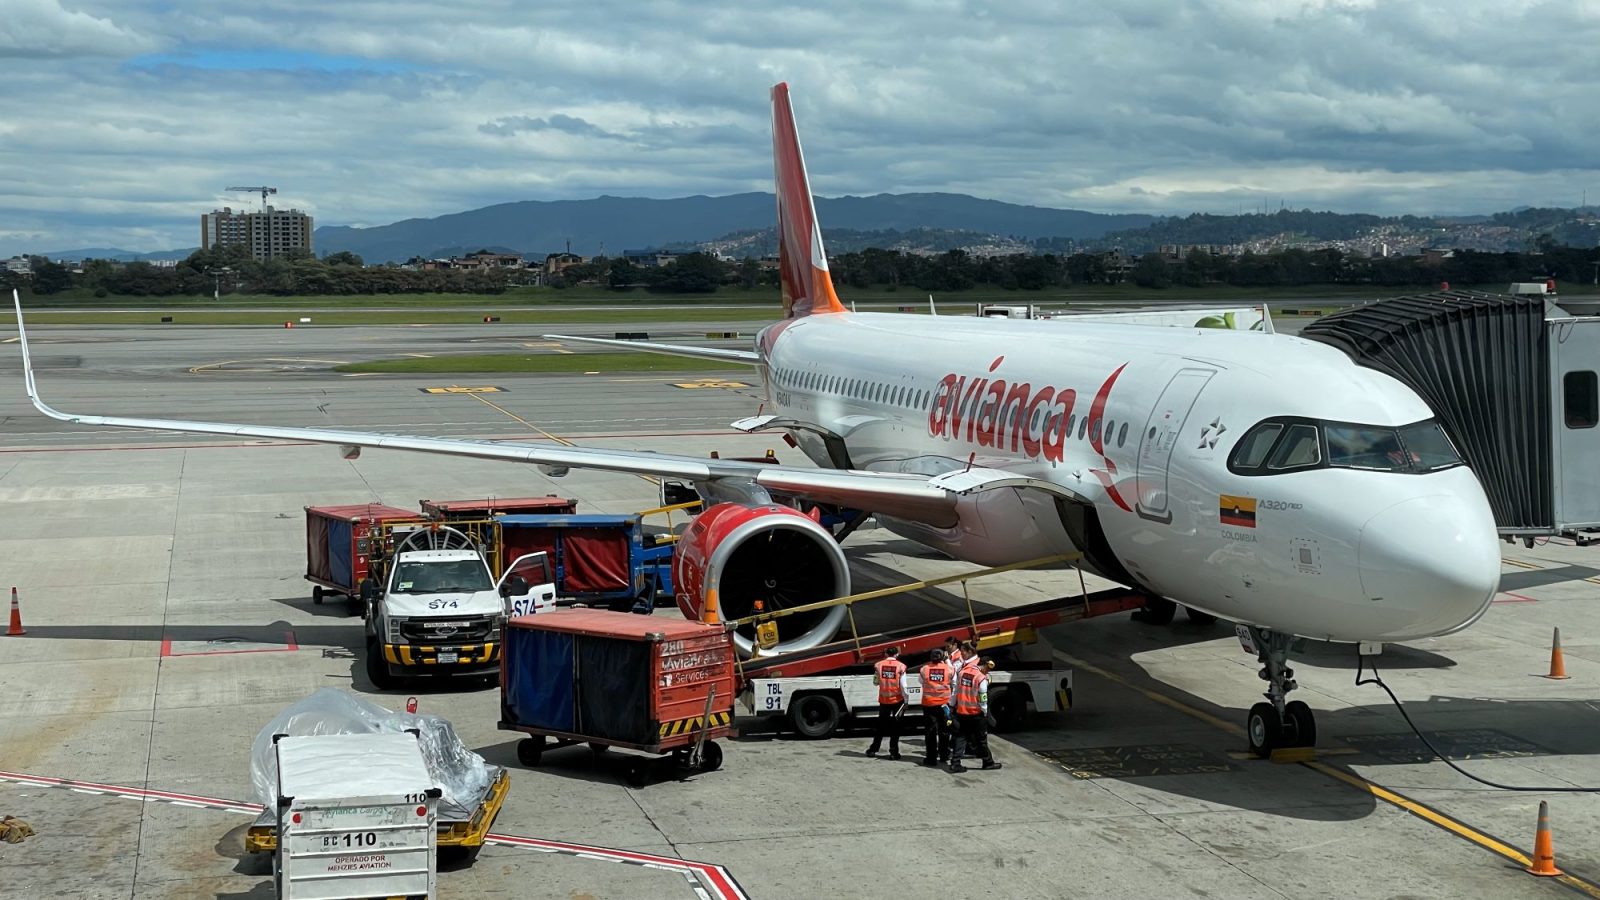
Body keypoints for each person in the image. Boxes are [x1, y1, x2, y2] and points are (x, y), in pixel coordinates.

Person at [949, 658, 1002, 773]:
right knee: (981, 739)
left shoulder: (962, 673)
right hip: (976, 714)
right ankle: (988, 763)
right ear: (983, 665)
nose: (987, 671)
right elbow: (983, 697)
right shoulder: (980, 678)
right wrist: (985, 711)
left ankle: (955, 763)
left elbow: (956, 691)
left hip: (961, 711)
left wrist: (952, 705)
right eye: (987, 669)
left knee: (960, 737)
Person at [865, 646, 907, 759]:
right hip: (897, 700)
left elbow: (875, 682)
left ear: (886, 654)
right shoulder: (901, 666)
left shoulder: (878, 665)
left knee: (880, 726)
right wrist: (906, 699)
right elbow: (904, 686)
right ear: (896, 654)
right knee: (896, 727)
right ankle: (893, 752)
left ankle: (873, 750)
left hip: (884, 700)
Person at [918, 648, 955, 767]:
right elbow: (954, 682)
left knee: (930, 731)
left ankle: (931, 758)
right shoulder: (949, 669)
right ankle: (944, 755)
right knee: (945, 730)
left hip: (929, 704)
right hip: (945, 705)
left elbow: (920, 681)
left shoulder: (924, 669)